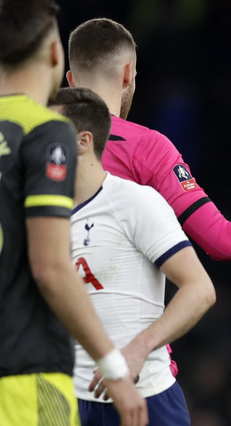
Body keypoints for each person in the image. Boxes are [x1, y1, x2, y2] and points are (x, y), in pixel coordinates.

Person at [65, 18, 231, 264]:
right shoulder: (147, 148)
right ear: (128, 74)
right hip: (114, 314)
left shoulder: (34, 139)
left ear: (70, 80)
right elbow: (223, 240)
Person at [0, 1, 147, 425]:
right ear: (53, 54)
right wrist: (115, 368)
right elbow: (50, 266)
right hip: (25, 374)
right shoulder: (48, 132)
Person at [49, 87, 217, 425]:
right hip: (69, 403)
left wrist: (139, 349)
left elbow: (200, 290)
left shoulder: (135, 202)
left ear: (83, 142)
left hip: (146, 397)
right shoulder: (44, 216)